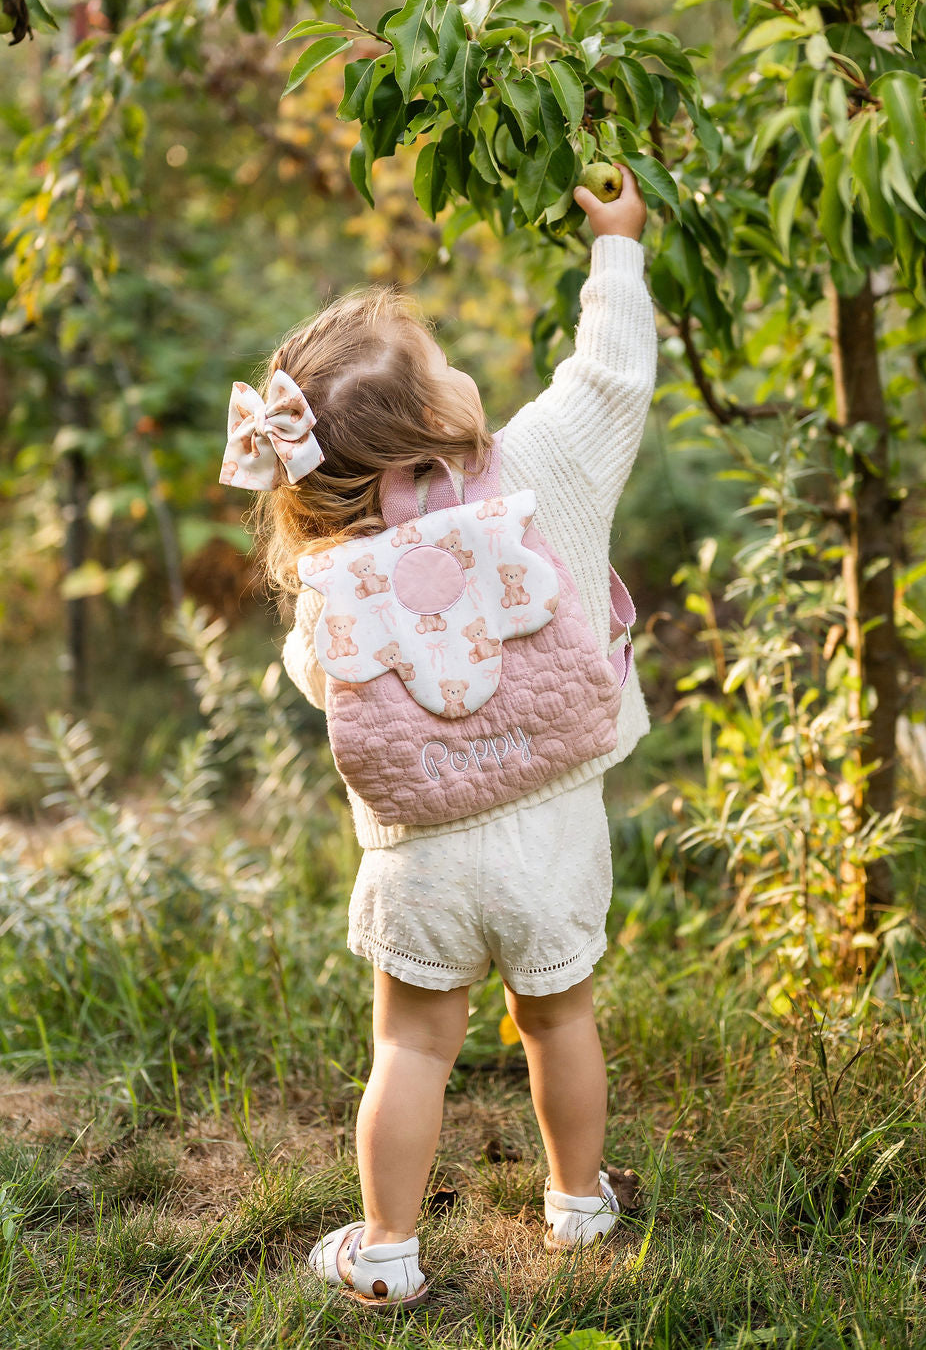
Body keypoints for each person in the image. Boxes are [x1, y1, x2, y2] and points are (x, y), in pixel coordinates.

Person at [224, 166, 655, 1309]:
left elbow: (323, 684)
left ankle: (386, 1250)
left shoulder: (331, 569)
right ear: (437, 418)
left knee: (410, 1048)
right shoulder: (545, 470)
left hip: (419, 852)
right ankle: (577, 1209)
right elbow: (608, 377)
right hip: (554, 824)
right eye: (440, 364)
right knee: (557, 1019)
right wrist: (616, 245)